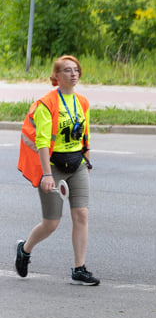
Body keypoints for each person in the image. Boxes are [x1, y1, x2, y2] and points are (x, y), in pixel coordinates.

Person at [16, 55, 98, 285]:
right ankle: (25, 249)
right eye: (67, 70)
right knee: (51, 223)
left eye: (76, 70)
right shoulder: (47, 104)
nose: (74, 74)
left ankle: (79, 268)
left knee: (81, 214)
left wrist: (88, 161)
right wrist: (47, 174)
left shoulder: (82, 102)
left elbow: (85, 134)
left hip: (77, 163)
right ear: (56, 76)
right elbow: (42, 141)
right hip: (53, 165)